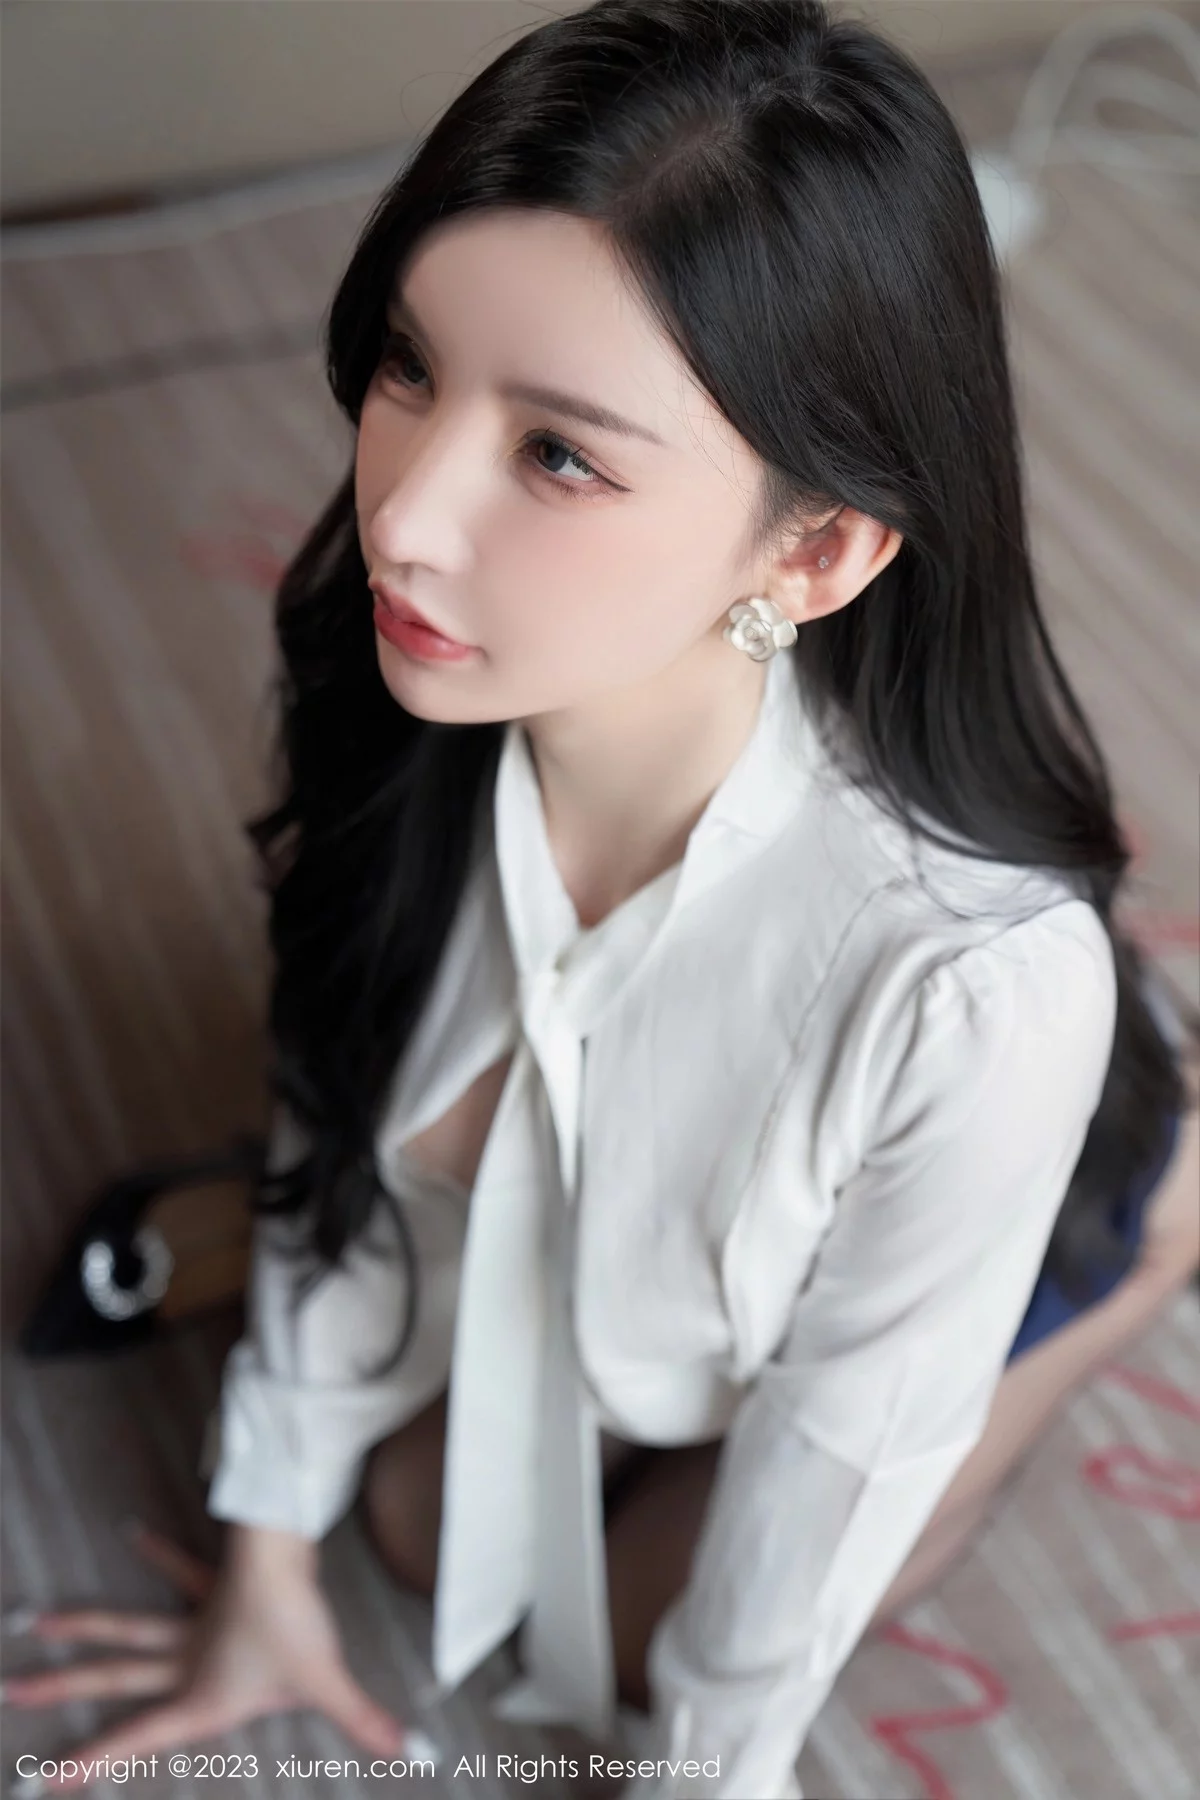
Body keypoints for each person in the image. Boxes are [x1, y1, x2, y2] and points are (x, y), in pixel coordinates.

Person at [6, 2, 1198, 1796]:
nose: (405, 518)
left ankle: (1170, 1207)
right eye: (411, 367)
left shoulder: (968, 991)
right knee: (417, 1529)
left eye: (559, 454)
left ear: (815, 550)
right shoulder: (419, 682)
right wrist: (265, 1563)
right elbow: (335, 1088)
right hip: (647, 1253)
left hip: (1015, 1176)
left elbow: (838, 1462)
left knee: (637, 1639)